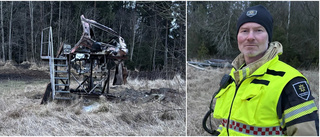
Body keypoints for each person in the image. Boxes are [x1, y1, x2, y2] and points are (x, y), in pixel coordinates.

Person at [211, 5, 319, 136]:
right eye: (244, 31)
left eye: (258, 30)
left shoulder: (289, 82)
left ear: (269, 37)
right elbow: (229, 126)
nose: (250, 37)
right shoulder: (235, 77)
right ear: (238, 36)